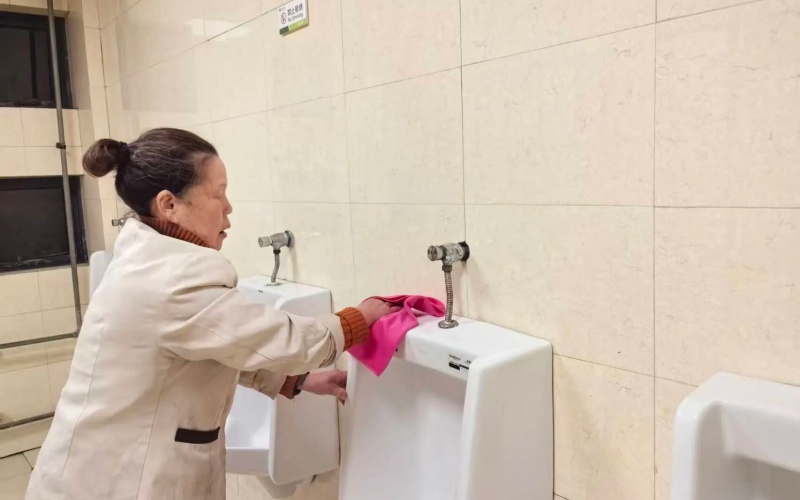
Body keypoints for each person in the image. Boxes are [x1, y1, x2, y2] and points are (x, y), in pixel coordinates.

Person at [25, 128, 396, 500]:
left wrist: (294, 380)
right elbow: (289, 342)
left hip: (95, 467)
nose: (228, 207)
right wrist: (357, 319)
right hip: (121, 481)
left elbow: (211, 344)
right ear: (169, 204)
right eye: (218, 194)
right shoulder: (176, 278)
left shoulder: (145, 262)